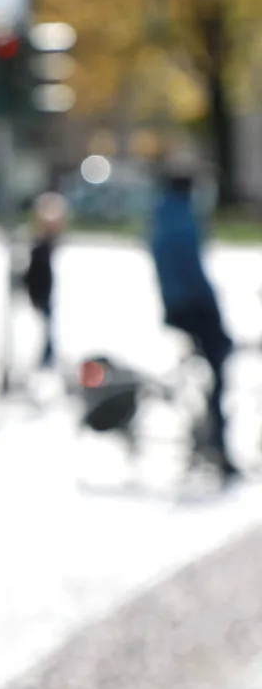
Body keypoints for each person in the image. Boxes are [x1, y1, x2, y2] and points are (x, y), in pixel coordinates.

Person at [150, 171, 239, 485]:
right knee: (219, 367)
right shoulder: (183, 222)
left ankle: (211, 437)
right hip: (194, 308)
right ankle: (219, 444)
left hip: (177, 308)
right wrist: (213, 315)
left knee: (208, 373)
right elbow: (194, 276)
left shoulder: (162, 216)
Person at [23, 192, 66, 372]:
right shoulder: (40, 247)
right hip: (42, 293)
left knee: (48, 329)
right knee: (45, 329)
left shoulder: (46, 246)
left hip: (45, 292)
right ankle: (46, 357)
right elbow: (35, 274)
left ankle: (48, 357)